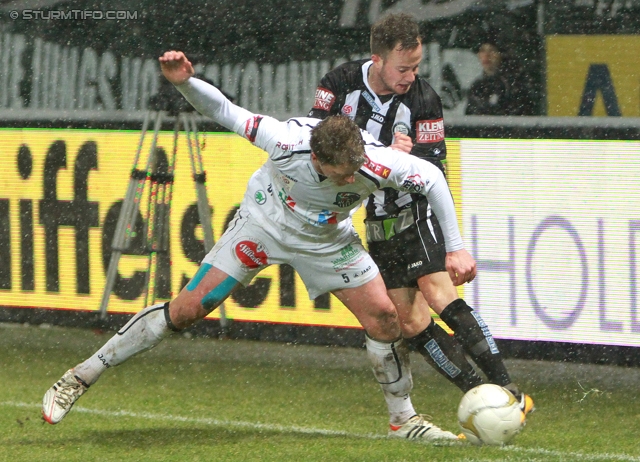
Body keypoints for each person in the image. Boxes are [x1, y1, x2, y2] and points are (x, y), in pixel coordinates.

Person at [42, 50, 478, 442]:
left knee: (385, 318)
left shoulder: (374, 159)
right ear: (315, 158)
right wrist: (184, 83)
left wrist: (455, 248)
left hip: (327, 240)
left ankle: (404, 421)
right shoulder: (285, 139)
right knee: (187, 311)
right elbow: (225, 111)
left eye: (355, 171)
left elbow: (434, 179)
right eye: (341, 174)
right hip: (264, 223)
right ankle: (81, 376)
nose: (352, 179)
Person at [308, 13, 534, 418]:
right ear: (376, 59)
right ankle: (480, 398)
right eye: (403, 68)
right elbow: (321, 151)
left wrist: (453, 246)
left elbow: (433, 171)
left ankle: (507, 387)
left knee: (440, 293)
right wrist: (384, 153)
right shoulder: (338, 84)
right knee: (410, 323)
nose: (411, 76)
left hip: (417, 213)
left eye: (416, 67)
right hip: (376, 224)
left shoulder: (424, 99)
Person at [465, 41, 514, 116]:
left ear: (500, 54)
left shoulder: (510, 83)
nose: (486, 55)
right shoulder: (476, 84)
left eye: (492, 51)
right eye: (482, 50)